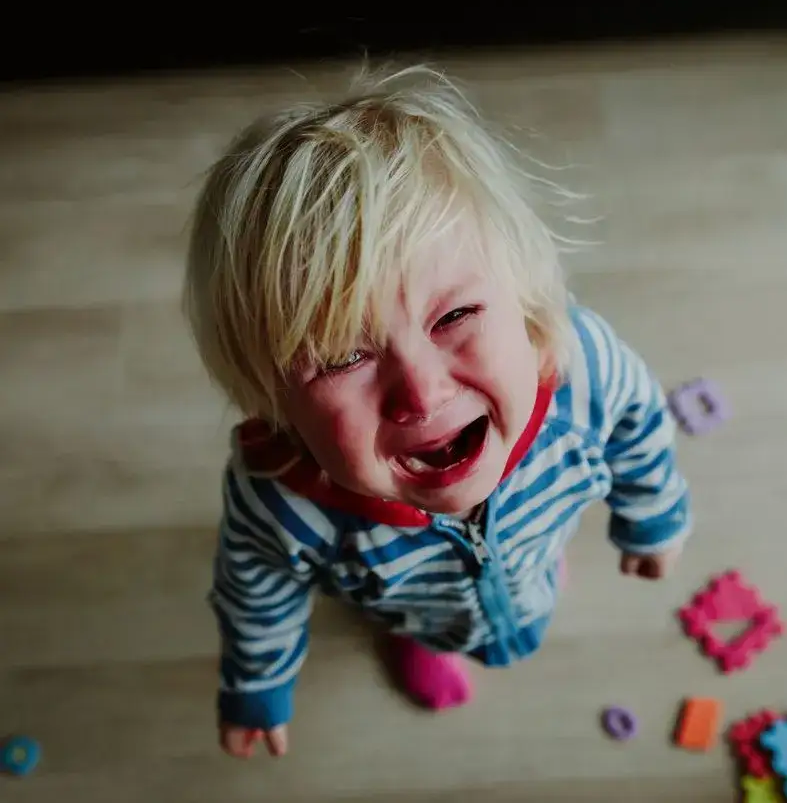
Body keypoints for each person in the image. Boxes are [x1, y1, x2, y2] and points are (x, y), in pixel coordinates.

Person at [182, 64, 692, 759]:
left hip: (533, 539)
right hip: (414, 605)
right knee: (416, 614)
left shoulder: (582, 371)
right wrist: (256, 682)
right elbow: (255, 590)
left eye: (454, 315)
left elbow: (640, 427)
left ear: (526, 300)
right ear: (274, 402)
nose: (421, 391)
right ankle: (420, 637)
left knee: (528, 563)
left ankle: (524, 571)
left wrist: (652, 515)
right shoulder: (280, 502)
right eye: (341, 359)